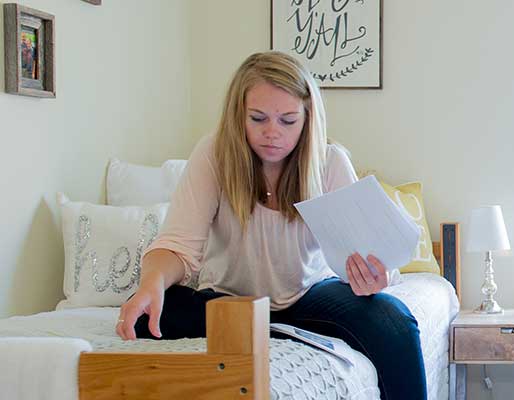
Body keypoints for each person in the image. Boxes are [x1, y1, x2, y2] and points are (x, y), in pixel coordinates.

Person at [114, 51, 426, 399]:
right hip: (229, 301)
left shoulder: (329, 162)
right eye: (258, 118)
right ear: (239, 116)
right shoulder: (213, 155)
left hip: (309, 296)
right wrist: (151, 284)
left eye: (288, 121)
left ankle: (274, 328)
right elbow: (177, 247)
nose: (272, 133)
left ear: (308, 119)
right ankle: (280, 330)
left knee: (394, 322)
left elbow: (367, 253)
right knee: (147, 313)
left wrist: (373, 278)